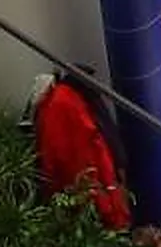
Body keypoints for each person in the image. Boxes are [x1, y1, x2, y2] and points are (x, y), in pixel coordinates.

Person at [34, 72, 131, 229]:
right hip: (93, 192)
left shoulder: (59, 103)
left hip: (80, 196)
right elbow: (97, 150)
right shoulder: (69, 103)